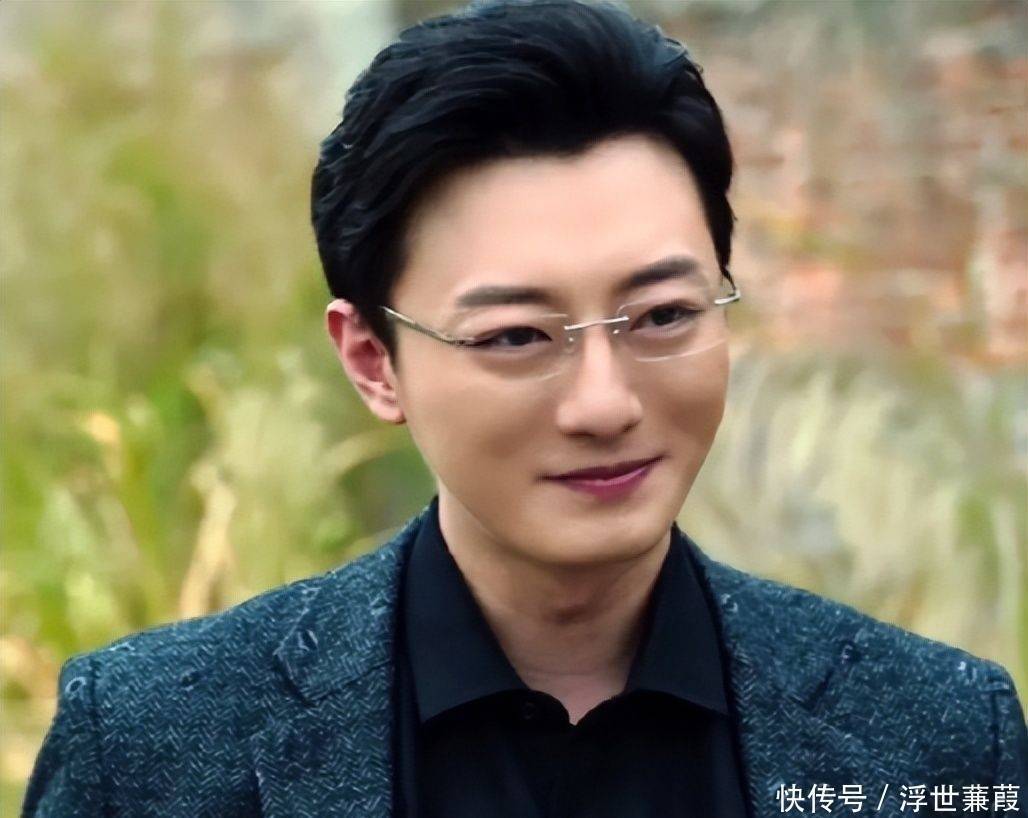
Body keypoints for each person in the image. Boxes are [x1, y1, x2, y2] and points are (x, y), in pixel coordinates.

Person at [22, 0, 1027, 816]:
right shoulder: (149, 745)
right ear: (372, 361)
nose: (605, 403)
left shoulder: (934, 734)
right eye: (514, 336)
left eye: (663, 315)